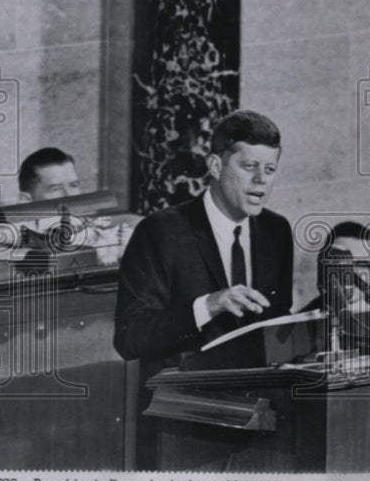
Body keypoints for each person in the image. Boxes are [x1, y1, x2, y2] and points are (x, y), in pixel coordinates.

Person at [114, 110, 294, 363]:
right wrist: (209, 305)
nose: (261, 180)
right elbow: (130, 338)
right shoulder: (160, 232)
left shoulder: (277, 231)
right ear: (216, 166)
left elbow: (279, 320)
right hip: (184, 396)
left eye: (270, 169)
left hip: (259, 394)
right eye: (249, 166)